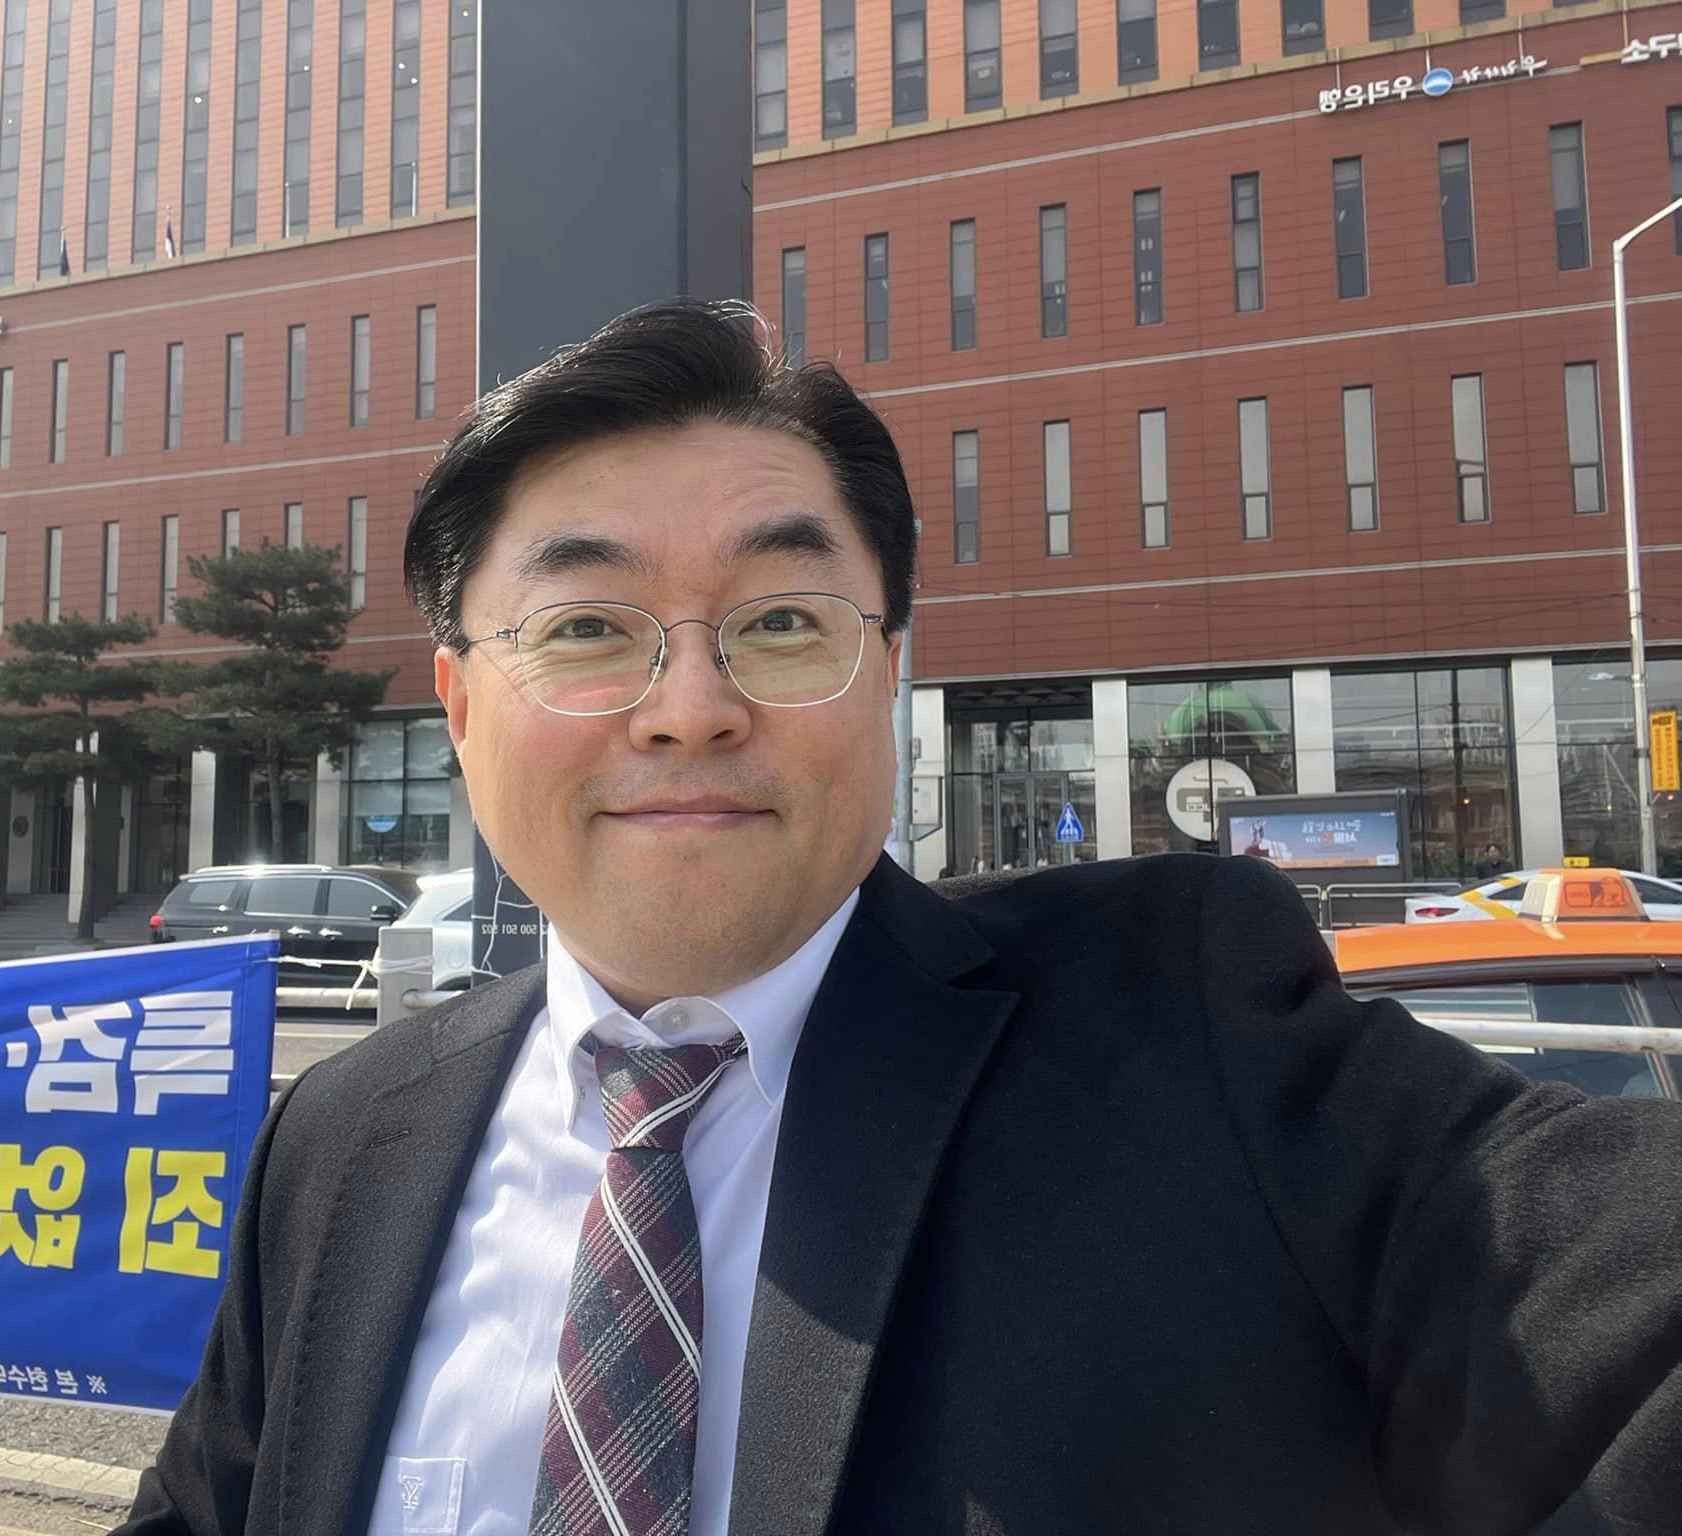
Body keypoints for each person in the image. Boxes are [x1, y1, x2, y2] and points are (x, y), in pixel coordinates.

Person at [119, 302, 1682, 1536]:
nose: (689, 707)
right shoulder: (342, 1138)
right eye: (586, 627)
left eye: (783, 622)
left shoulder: (1190, 1037)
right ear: (462, 708)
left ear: (888, 677)